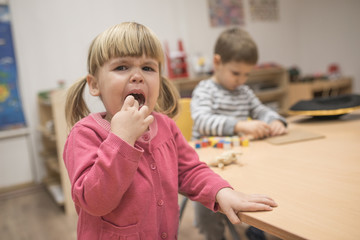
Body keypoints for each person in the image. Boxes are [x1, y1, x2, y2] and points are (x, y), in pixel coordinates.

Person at [63, 22, 277, 240]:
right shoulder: (84, 135)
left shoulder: (166, 127)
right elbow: (95, 201)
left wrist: (221, 191)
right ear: (94, 84)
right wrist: (121, 139)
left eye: (148, 68)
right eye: (121, 67)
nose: (137, 76)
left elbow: (190, 170)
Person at [191, 27, 287, 240]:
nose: (241, 80)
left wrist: (275, 120)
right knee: (207, 204)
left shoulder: (244, 92)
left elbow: (261, 110)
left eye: (246, 74)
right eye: (236, 73)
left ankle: (255, 226)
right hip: (208, 165)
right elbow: (203, 121)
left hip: (242, 161)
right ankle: (215, 235)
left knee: (267, 180)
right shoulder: (205, 90)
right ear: (217, 62)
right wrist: (239, 125)